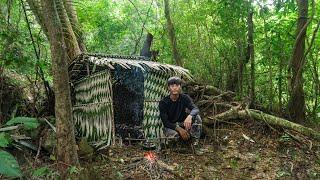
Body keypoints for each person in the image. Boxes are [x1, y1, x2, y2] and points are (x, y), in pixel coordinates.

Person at [159, 76, 202, 144]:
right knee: (174, 137)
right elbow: (165, 122)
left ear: (180, 87)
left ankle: (195, 144)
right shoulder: (163, 102)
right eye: (172, 86)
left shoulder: (185, 98)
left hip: (183, 123)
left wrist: (190, 116)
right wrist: (179, 129)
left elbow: (195, 109)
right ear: (168, 88)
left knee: (197, 117)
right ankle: (176, 147)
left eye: (177, 85)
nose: (175, 88)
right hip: (171, 126)